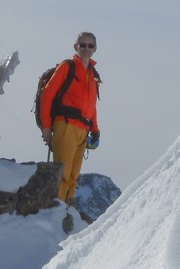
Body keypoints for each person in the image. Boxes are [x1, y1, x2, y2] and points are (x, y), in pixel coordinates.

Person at [39, 32, 102, 206]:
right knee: (63, 173)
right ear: (76, 47)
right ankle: (56, 210)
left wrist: (95, 130)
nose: (86, 49)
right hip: (66, 125)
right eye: (83, 45)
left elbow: (91, 106)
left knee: (73, 175)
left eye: (90, 46)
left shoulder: (93, 74)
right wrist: (46, 127)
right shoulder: (67, 67)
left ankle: (67, 210)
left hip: (83, 129)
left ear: (95, 49)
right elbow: (47, 95)